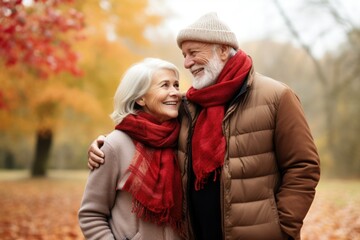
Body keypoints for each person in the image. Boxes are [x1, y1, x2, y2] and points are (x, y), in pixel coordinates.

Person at [87, 12, 321, 240]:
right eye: (183, 54)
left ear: (221, 49)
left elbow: (304, 166)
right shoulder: (188, 106)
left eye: (193, 53)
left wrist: (282, 229)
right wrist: (102, 145)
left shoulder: (277, 96)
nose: (186, 63)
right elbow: (146, 126)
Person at [78, 58, 185, 240]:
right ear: (140, 98)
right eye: (165, 85)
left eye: (176, 85)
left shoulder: (184, 138)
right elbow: (91, 215)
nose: (175, 92)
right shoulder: (114, 145)